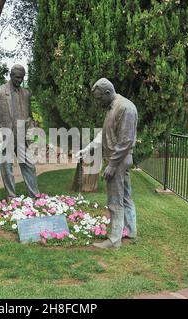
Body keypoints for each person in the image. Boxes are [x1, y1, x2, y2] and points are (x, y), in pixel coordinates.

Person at [77, 78, 138, 249]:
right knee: (125, 197)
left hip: (118, 160)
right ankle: (130, 230)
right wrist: (87, 149)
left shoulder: (125, 108)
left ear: (108, 93)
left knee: (115, 199)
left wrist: (112, 165)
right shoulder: (112, 107)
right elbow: (105, 134)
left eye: (99, 98)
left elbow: (126, 141)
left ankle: (114, 240)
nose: (97, 102)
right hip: (118, 159)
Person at [0, 64, 40, 198]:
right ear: (11, 75)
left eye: (22, 78)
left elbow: (29, 114)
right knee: (7, 169)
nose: (19, 80)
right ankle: (12, 197)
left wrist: (30, 129)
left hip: (22, 137)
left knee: (29, 166)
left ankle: (35, 195)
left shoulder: (26, 93)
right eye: (17, 77)